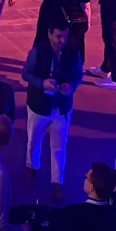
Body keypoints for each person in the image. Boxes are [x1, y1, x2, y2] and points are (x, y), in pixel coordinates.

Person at [24, 21, 83, 198]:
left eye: (65, 36)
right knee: (34, 141)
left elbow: (78, 75)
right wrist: (42, 83)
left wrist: (71, 87)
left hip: (61, 108)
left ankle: (57, 183)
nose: (62, 40)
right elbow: (26, 73)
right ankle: (32, 168)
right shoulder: (38, 51)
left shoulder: (73, 53)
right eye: (58, 36)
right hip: (38, 105)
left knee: (59, 146)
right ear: (49, 34)